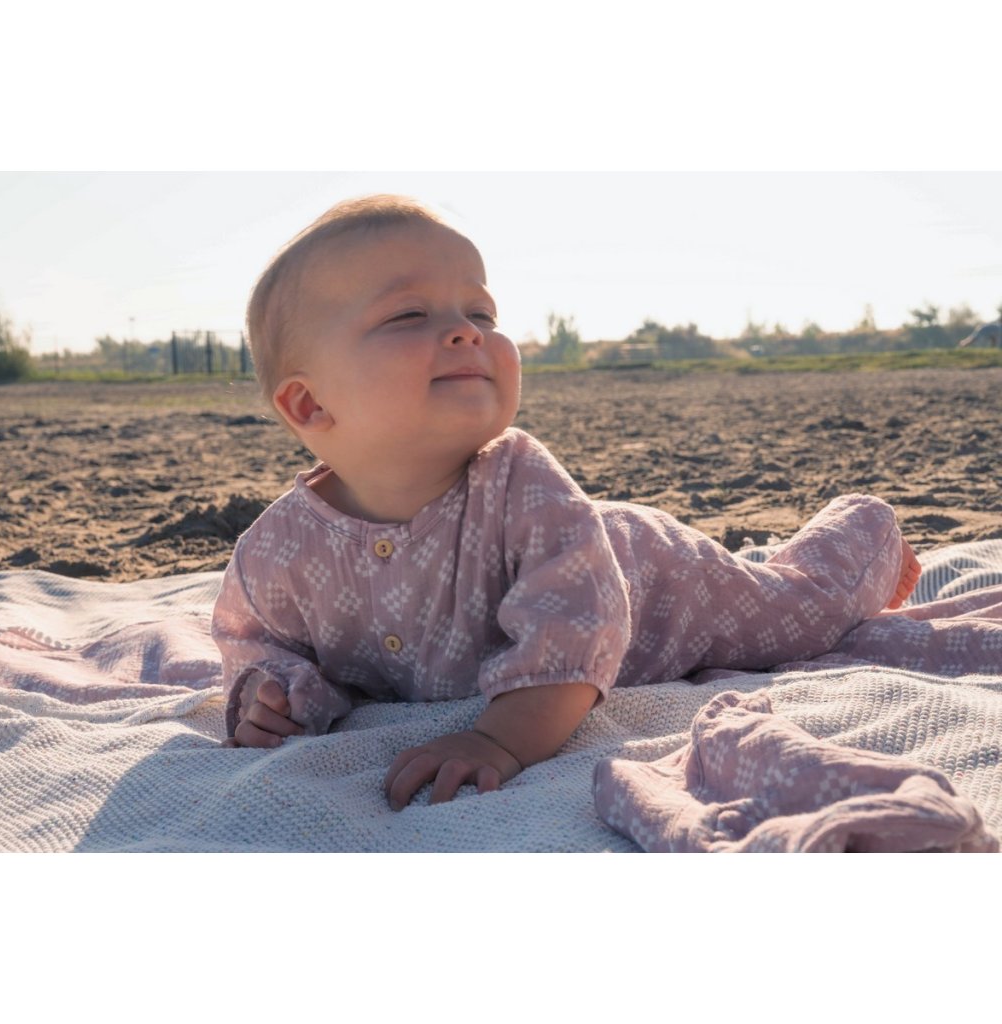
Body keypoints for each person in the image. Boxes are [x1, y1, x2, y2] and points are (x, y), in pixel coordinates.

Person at [212, 194, 922, 810]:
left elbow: (578, 624)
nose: (467, 331)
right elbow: (260, 644)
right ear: (309, 404)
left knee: (803, 612)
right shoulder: (279, 549)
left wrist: (500, 739)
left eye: (481, 311)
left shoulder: (520, 479)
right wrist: (273, 697)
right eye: (409, 314)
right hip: (606, 559)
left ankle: (867, 533)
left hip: (660, 584)